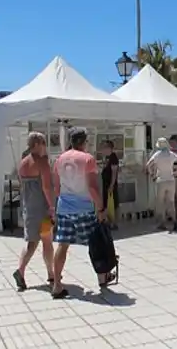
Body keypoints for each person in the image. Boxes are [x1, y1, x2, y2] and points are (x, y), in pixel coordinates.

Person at [51, 127, 109, 298]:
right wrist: (100, 208)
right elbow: (92, 187)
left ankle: (56, 284)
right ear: (84, 141)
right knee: (95, 243)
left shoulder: (59, 159)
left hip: (64, 206)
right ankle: (102, 277)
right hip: (83, 206)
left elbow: (56, 187)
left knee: (62, 244)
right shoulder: (88, 159)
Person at [12, 132, 56, 292]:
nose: (45, 146)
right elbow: (46, 187)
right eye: (43, 143)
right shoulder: (42, 162)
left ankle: (21, 270)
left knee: (31, 242)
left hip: (29, 207)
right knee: (47, 241)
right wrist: (52, 207)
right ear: (37, 144)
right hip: (43, 208)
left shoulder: (22, 163)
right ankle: (51, 273)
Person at [146, 137, 177, 231]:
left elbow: (148, 164)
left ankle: (162, 223)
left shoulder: (157, 155)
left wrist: (152, 174)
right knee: (171, 202)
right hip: (171, 179)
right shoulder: (171, 154)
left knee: (160, 202)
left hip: (161, 180)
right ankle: (174, 221)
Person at [100, 140, 120, 229]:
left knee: (113, 203)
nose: (102, 149)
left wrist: (112, 185)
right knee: (106, 203)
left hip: (110, 184)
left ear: (109, 148)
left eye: (104, 147)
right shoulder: (106, 157)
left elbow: (114, 172)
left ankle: (114, 222)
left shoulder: (113, 157)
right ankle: (108, 221)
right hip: (105, 183)